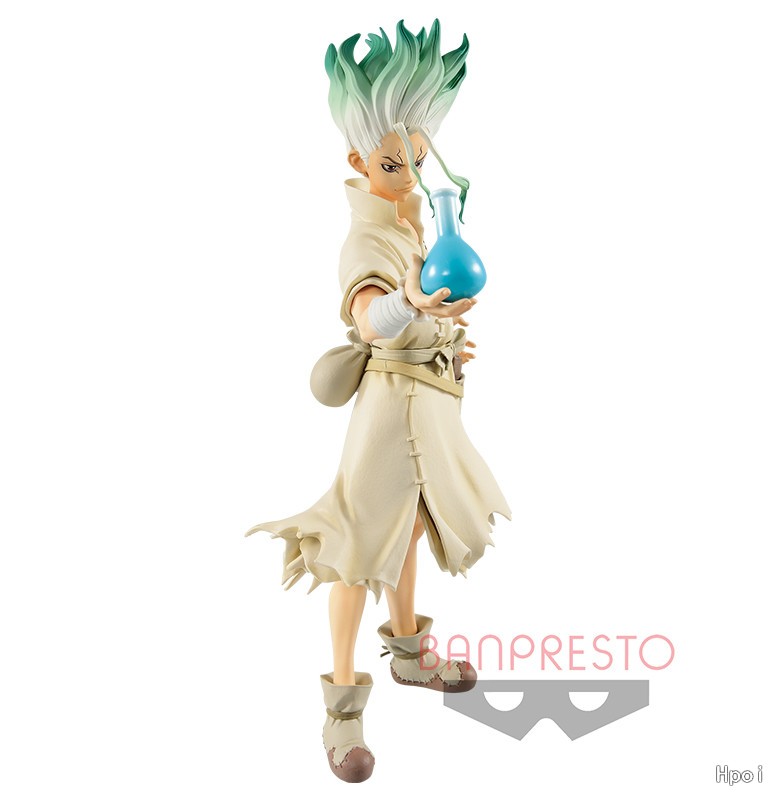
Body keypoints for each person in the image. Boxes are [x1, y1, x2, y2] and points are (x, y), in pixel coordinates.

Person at [246, 20, 511, 782]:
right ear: (359, 161)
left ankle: (409, 654)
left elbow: (418, 315)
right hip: (389, 416)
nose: (410, 173)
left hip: (429, 407)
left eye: (419, 159)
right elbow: (369, 318)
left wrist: (442, 339)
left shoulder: (413, 223)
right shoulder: (366, 241)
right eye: (394, 163)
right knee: (360, 549)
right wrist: (411, 303)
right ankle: (341, 709)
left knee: (411, 530)